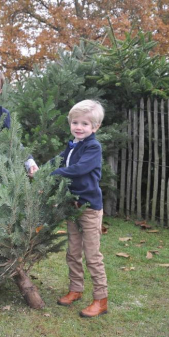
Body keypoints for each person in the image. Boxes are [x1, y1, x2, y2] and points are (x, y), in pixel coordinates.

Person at [51, 99, 108, 318]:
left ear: (95, 127)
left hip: (89, 208)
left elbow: (79, 169)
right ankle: (76, 289)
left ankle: (100, 299)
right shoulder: (72, 144)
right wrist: (40, 170)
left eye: (85, 123)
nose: (79, 127)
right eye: (75, 122)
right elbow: (58, 161)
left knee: (92, 255)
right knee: (73, 251)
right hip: (71, 207)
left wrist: (53, 175)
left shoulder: (93, 147)